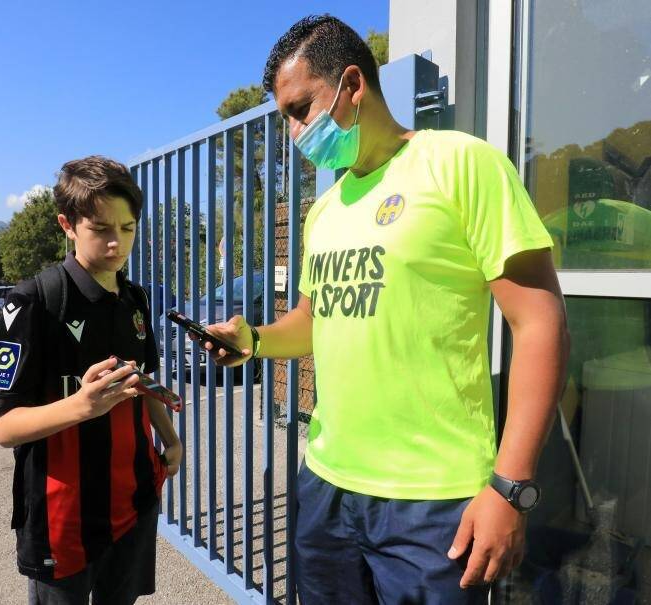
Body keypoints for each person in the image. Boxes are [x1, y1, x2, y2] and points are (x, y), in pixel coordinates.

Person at [204, 15, 570, 604]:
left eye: (301, 109)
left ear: (352, 84)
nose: (294, 132)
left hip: (433, 502)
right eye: (285, 119)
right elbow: (316, 321)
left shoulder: (461, 164)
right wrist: (254, 339)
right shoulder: (323, 210)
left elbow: (540, 323)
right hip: (326, 487)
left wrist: (510, 487)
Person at [0, 156, 181, 605]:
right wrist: (82, 406)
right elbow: (3, 428)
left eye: (127, 228)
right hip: (61, 522)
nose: (117, 243)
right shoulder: (32, 301)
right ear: (67, 225)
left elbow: (140, 381)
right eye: (101, 229)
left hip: (133, 503)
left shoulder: (134, 298)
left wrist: (170, 439)